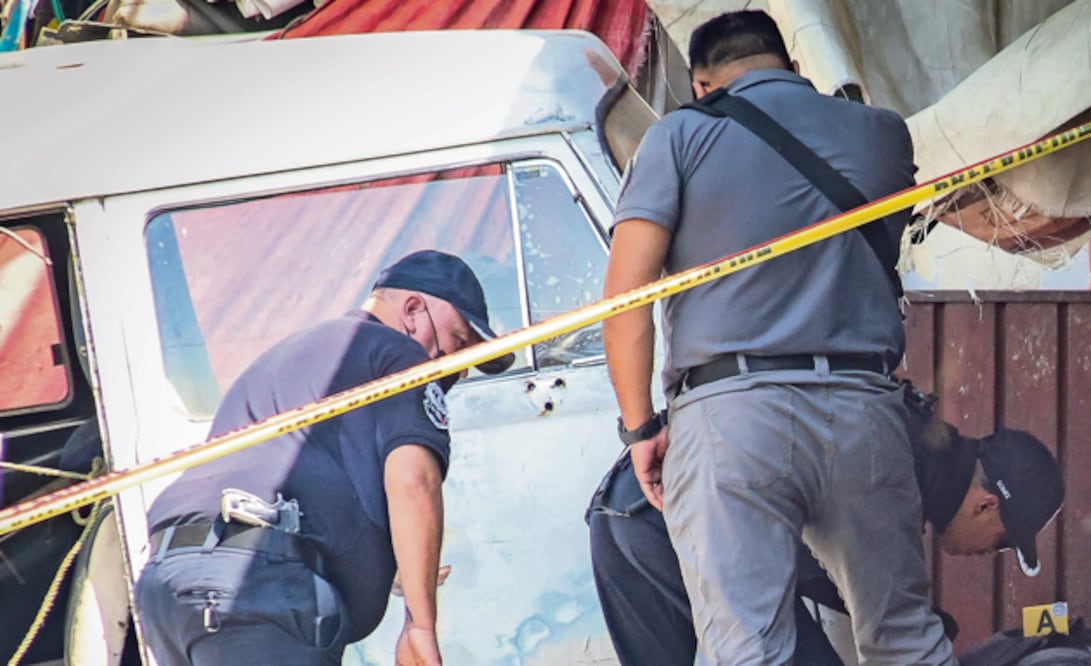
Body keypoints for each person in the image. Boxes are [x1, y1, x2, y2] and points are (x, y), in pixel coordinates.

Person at [602, 9, 953, 664]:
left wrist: (639, 429)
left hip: (732, 417)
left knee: (746, 647)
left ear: (702, 87)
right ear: (791, 69)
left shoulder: (678, 136)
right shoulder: (882, 133)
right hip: (861, 411)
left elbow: (625, 297)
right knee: (903, 635)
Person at [134, 250, 514, 666]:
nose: (456, 370)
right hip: (259, 590)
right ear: (413, 311)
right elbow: (413, 482)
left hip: (169, 584)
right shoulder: (399, 354)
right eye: (457, 343)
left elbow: (301, 480)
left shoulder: (286, 360)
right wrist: (419, 625)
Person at [587, 383, 1066, 665]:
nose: (988, 555)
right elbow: (841, 576)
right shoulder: (901, 466)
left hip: (622, 511)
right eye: (1001, 543)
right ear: (986, 506)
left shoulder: (906, 434)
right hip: (680, 521)